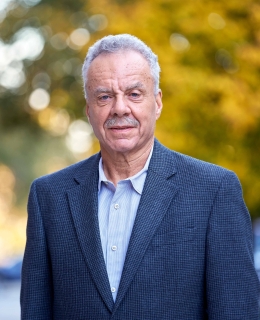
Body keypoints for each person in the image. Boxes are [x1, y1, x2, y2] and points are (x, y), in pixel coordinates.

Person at [21, 34, 259, 319]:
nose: (120, 108)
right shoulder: (49, 197)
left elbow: (236, 312)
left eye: (134, 94)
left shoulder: (215, 191)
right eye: (104, 96)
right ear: (88, 110)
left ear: (157, 103)